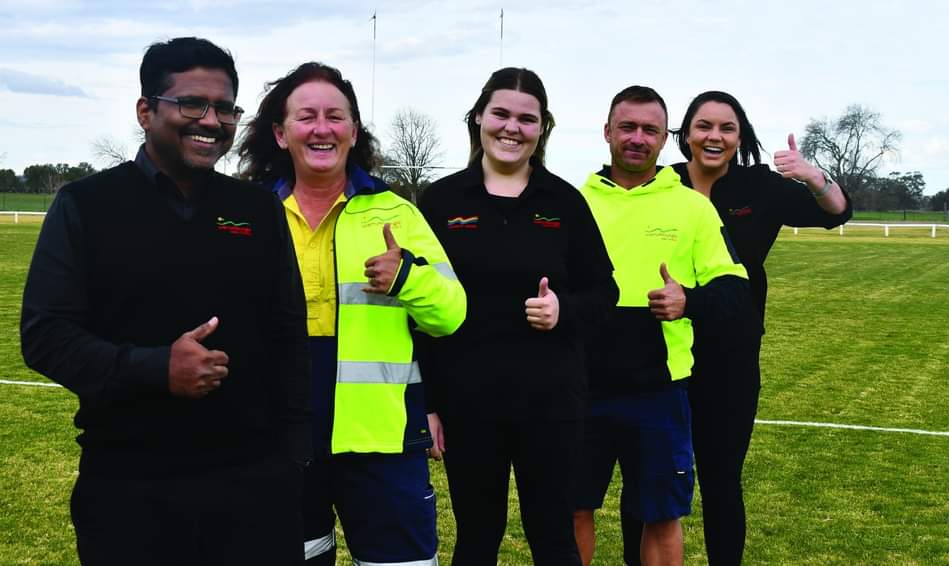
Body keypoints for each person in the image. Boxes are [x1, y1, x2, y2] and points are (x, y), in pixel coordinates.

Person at [20, 37, 310, 565]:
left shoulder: (256, 210)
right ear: (146, 111)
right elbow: (44, 335)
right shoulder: (86, 205)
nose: (211, 120)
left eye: (225, 108)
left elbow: (289, 332)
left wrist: (293, 457)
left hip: (254, 487)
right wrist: (156, 368)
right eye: (192, 103)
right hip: (131, 486)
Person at [236, 62, 465, 566]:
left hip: (382, 440)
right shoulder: (248, 215)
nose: (322, 128)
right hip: (278, 437)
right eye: (307, 116)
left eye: (336, 116)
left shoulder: (398, 213)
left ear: (353, 131)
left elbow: (451, 314)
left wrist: (408, 277)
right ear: (280, 132)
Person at [621, 91, 852, 565]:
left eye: (727, 128)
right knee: (648, 480)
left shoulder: (760, 187)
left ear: (740, 136)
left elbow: (837, 212)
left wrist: (812, 176)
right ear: (684, 135)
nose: (714, 136)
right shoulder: (659, 184)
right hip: (660, 353)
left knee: (722, 480)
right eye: (704, 126)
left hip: (730, 355)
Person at [418, 67, 617, 566]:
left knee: (553, 538)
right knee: (477, 537)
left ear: (543, 128)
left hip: (550, 403)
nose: (512, 127)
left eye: (527, 119)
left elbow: (605, 292)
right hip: (468, 404)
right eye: (501, 114)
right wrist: (428, 402)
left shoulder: (565, 203)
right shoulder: (441, 201)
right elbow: (417, 307)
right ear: (479, 118)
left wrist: (562, 309)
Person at [572, 85, 758, 566]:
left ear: (664, 138)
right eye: (627, 127)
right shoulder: (572, 201)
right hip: (578, 385)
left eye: (649, 130)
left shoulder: (692, 207)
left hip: (659, 390)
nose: (637, 138)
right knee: (572, 509)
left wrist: (688, 300)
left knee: (661, 516)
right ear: (607, 131)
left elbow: (735, 289)